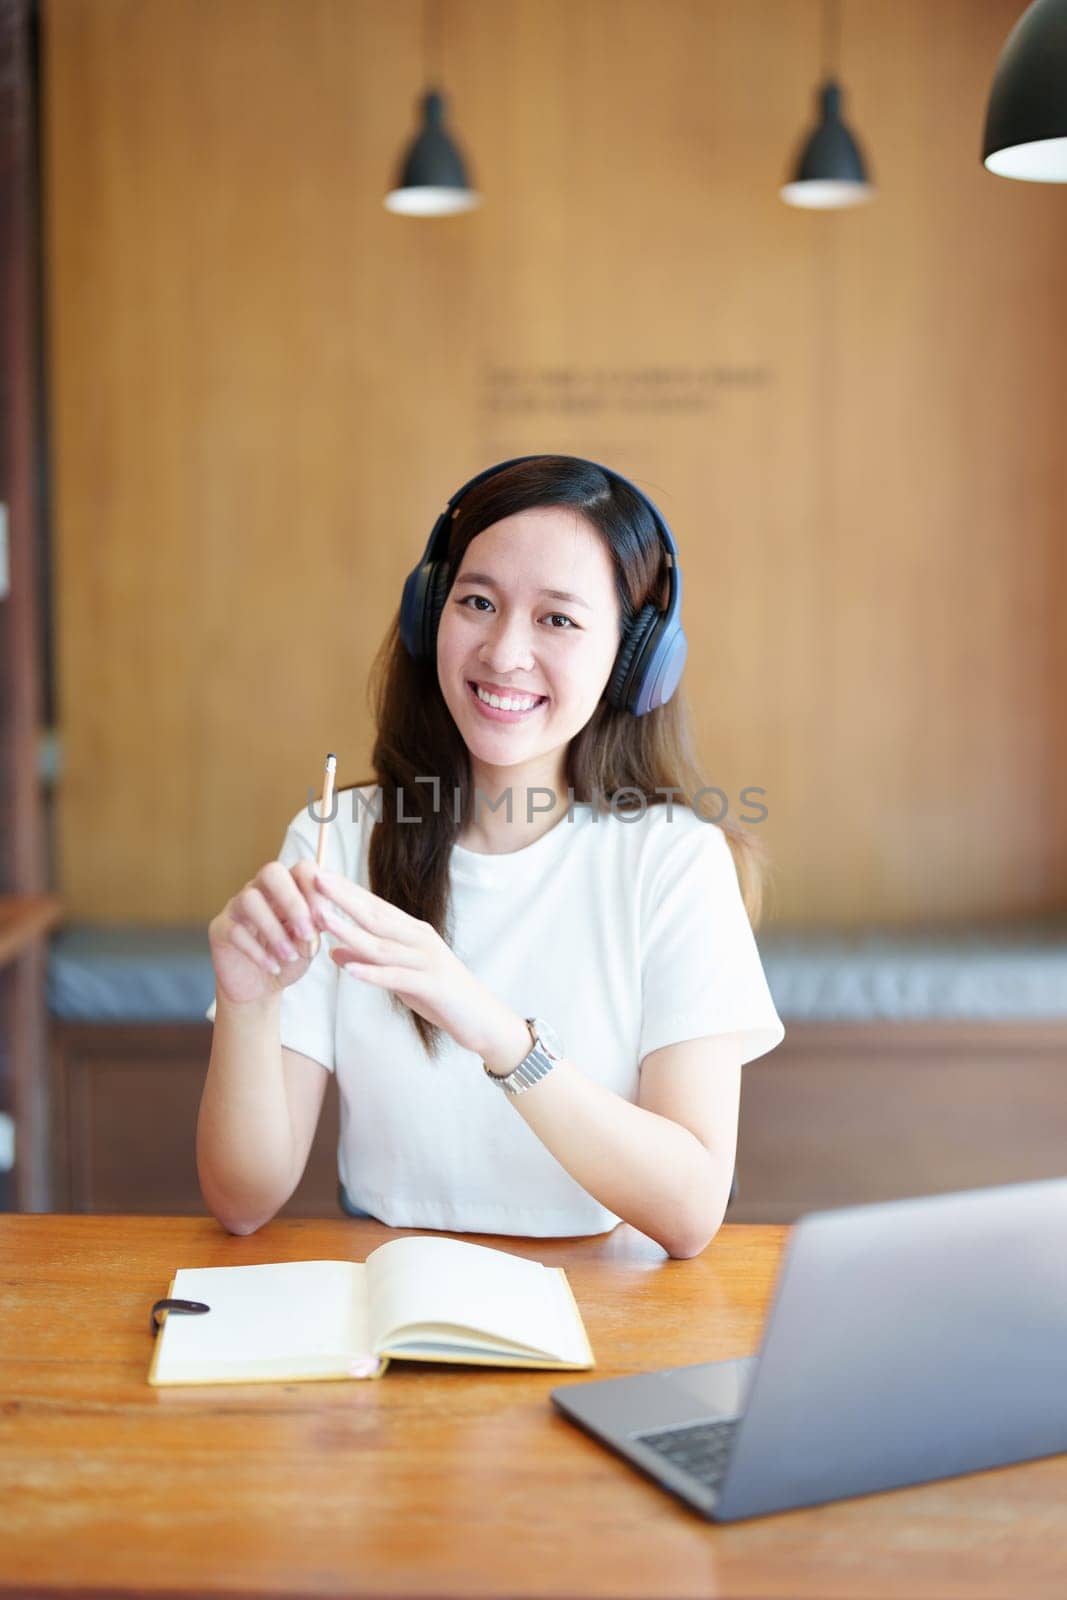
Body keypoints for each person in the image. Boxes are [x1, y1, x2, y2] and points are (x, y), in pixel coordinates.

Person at [198, 454, 784, 1256]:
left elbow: (688, 1213)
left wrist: (494, 1030)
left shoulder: (675, 861)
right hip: (388, 1288)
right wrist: (247, 1004)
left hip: (602, 1309)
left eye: (558, 619)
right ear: (428, 615)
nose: (504, 652)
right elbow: (242, 1201)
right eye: (477, 602)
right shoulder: (338, 837)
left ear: (633, 658)